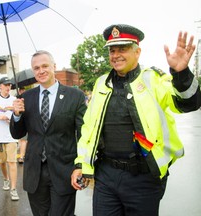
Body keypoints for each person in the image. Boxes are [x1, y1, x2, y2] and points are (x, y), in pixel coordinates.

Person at [71, 24, 201, 216]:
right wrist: (81, 164)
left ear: (137, 51)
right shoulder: (101, 83)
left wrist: (181, 74)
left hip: (143, 177)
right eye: (112, 50)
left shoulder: (153, 79)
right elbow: (88, 129)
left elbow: (188, 103)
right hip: (106, 175)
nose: (115, 55)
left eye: (122, 49)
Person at [10, 50, 87, 216]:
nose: (41, 71)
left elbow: (84, 135)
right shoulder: (26, 98)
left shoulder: (75, 96)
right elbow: (18, 134)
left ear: (54, 67)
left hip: (64, 170)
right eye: (36, 68)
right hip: (35, 173)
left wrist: (80, 166)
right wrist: (16, 115)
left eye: (45, 66)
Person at [17, 87, 27, 164]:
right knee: (22, 140)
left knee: (23, 140)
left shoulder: (27, 98)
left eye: (24, 90)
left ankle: (21, 156)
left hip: (27, 122)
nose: (23, 91)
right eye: (22, 90)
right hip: (21, 122)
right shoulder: (16, 99)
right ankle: (22, 155)